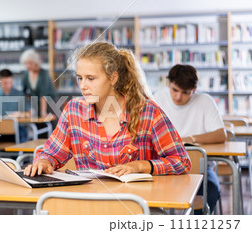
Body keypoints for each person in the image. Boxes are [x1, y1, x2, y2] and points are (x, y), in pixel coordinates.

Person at [24, 42, 191, 179]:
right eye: (80, 78)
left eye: (91, 78)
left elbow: (182, 161)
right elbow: (50, 153)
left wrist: (141, 166)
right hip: (89, 206)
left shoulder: (148, 112)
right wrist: (45, 161)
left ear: (113, 78)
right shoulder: (73, 111)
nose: (83, 86)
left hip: (135, 205)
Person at [154, 64, 225, 214]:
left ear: (195, 89)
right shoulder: (158, 98)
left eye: (185, 92)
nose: (178, 97)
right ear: (169, 83)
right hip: (166, 167)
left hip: (199, 168)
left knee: (211, 192)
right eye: (175, 90)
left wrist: (190, 138)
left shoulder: (205, 101)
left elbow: (221, 134)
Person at [20, 49, 57, 118]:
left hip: (50, 104)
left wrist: (43, 112)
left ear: (36, 62)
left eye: (30, 63)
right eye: (26, 63)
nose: (28, 66)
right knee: (38, 125)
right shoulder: (26, 75)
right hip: (36, 104)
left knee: (51, 124)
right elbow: (24, 92)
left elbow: (43, 95)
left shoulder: (44, 74)